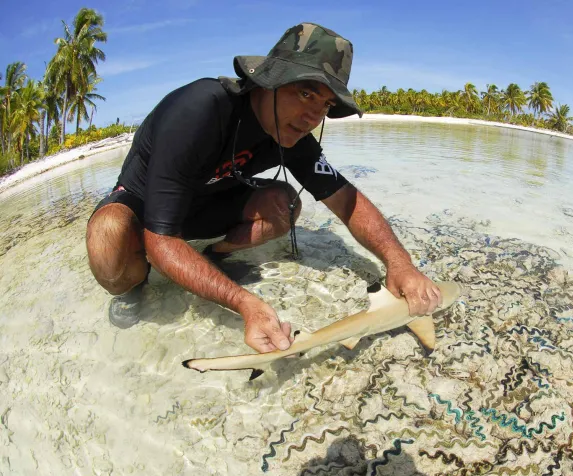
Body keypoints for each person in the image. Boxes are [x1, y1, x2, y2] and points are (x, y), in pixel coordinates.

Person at [86, 23, 441, 354]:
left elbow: (346, 200)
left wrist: (399, 262)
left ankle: (216, 256)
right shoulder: (200, 109)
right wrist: (244, 302)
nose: (312, 117)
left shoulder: (293, 132)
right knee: (107, 237)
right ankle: (132, 287)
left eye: (325, 105)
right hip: (145, 206)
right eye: (305, 93)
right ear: (270, 81)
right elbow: (160, 239)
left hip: (208, 203)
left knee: (283, 204)